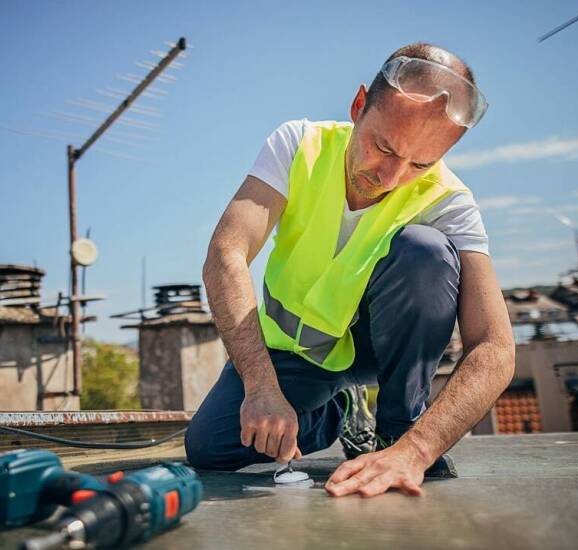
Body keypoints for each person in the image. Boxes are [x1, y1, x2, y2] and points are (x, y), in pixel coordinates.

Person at [185, 42, 515, 498]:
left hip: (377, 345)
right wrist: (261, 386)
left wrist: (416, 451)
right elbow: (226, 252)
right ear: (359, 105)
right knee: (209, 448)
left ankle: (395, 430)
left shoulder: (451, 202)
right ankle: (337, 410)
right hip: (298, 348)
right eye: (383, 147)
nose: (392, 177)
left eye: (421, 163)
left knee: (427, 250)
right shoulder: (299, 144)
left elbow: (496, 347)